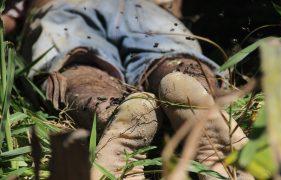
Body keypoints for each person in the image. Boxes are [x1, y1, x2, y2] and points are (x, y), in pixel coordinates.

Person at [2, 0, 252, 179]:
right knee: (172, 55)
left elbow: (9, 23)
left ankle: (119, 115)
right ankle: (192, 93)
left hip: (62, 8)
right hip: (146, 8)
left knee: (78, 68)